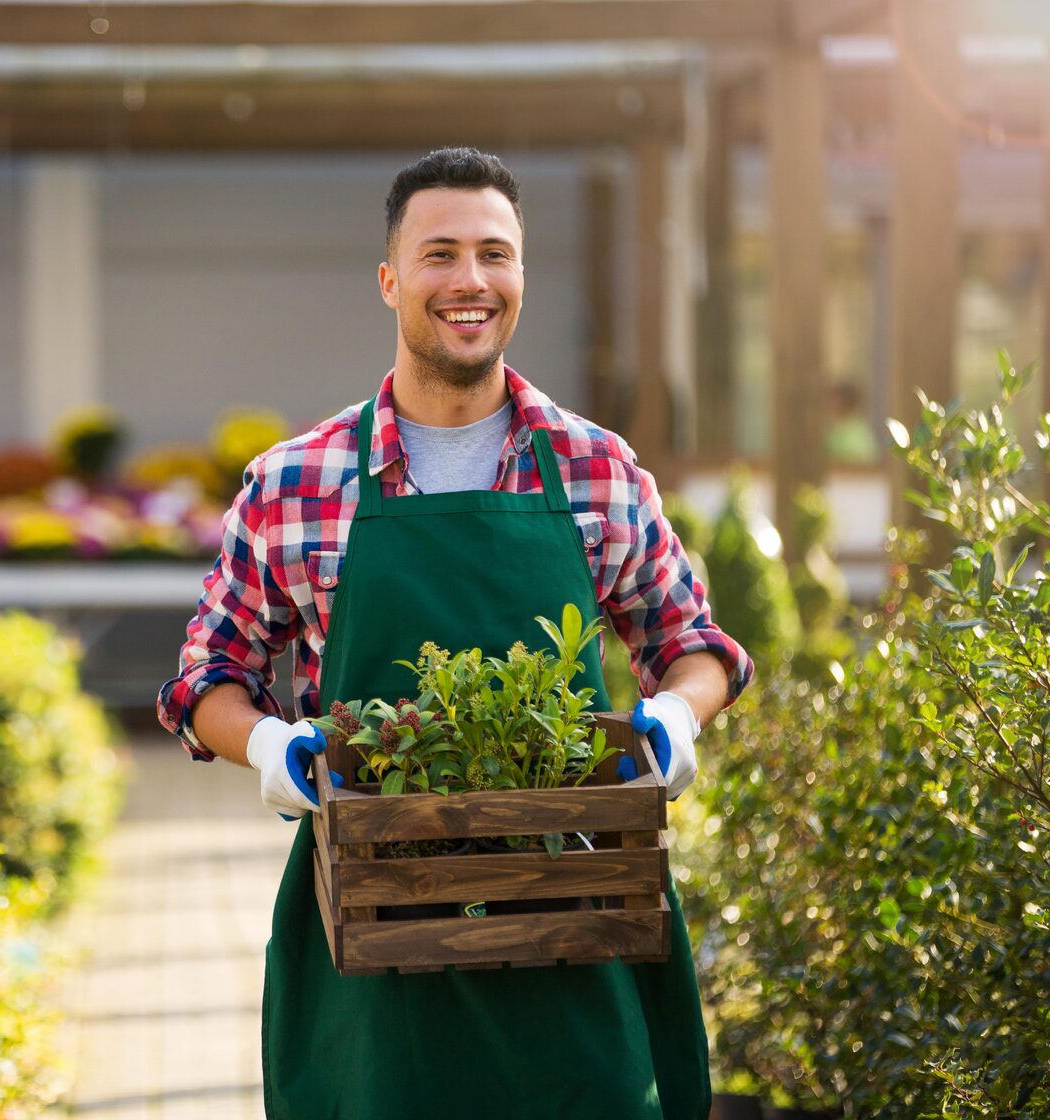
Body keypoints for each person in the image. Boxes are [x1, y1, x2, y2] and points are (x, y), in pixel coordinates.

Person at [157, 148, 754, 1119]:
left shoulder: (596, 469)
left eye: (494, 253)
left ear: (521, 276)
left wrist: (677, 718)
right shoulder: (296, 483)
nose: (469, 280)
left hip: (580, 927)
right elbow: (206, 676)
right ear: (391, 279)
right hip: (373, 941)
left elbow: (695, 644)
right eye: (440, 254)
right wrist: (266, 741)